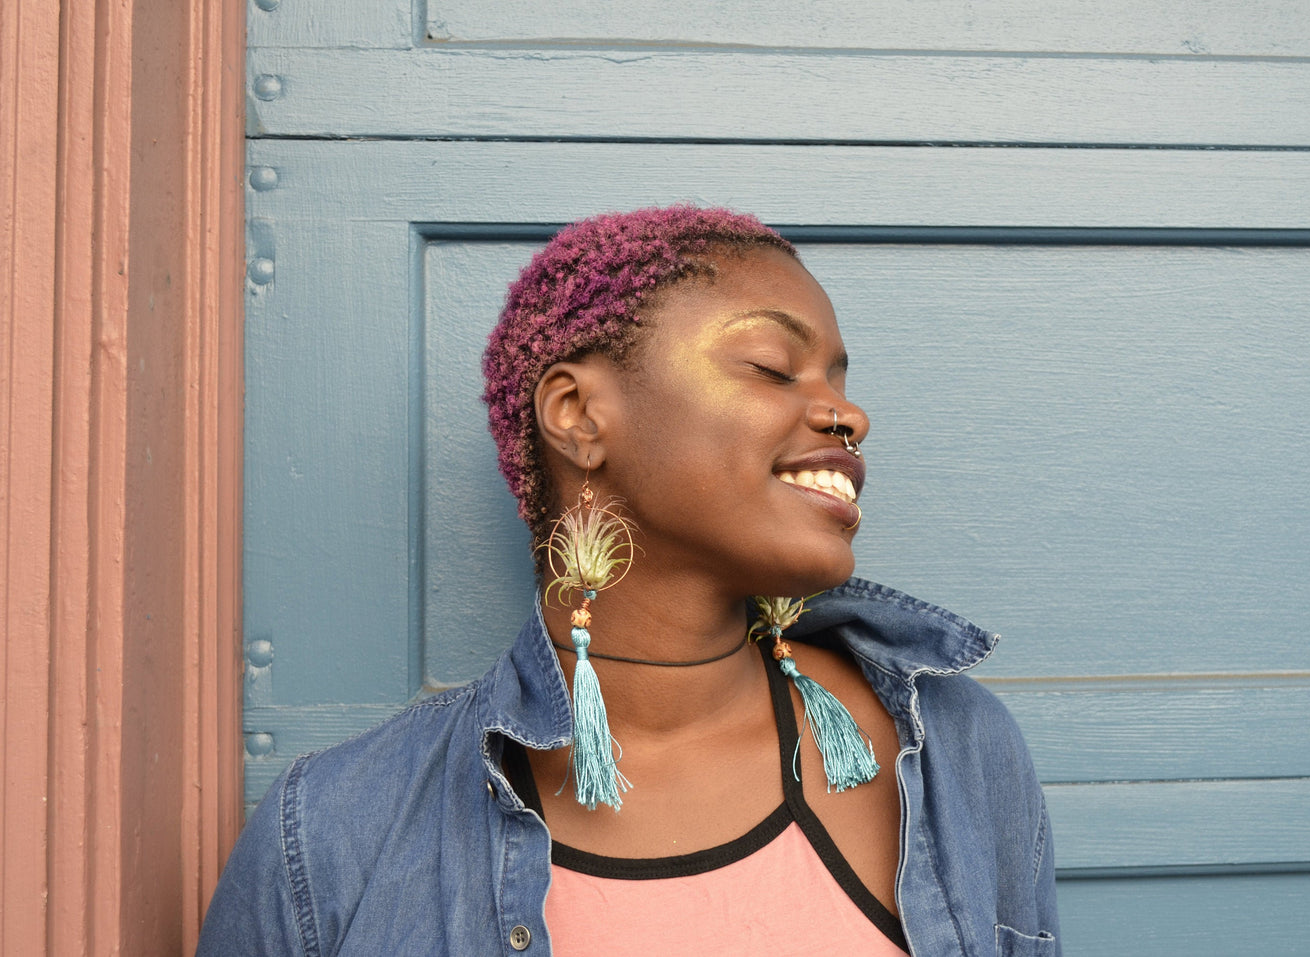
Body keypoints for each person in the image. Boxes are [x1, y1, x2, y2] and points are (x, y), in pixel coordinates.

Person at [197, 205, 1060, 956]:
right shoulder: (333, 831)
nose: (846, 414)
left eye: (837, 377)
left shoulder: (948, 749)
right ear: (576, 415)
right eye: (770, 365)